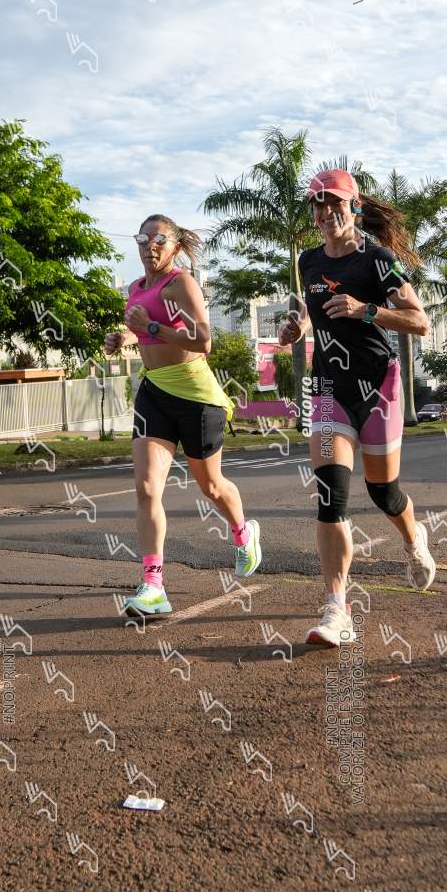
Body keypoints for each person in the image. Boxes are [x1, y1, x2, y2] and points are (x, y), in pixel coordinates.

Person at [277, 168, 435, 648]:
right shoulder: (308, 261)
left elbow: (420, 321)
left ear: (354, 206)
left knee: (384, 492)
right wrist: (296, 328)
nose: (326, 212)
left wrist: (365, 309)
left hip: (378, 386)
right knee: (331, 495)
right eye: (318, 204)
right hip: (328, 387)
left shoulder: (377, 260)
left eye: (335, 203)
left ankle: (413, 540)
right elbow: (309, 312)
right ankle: (336, 608)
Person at [104, 213, 262, 616]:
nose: (150, 246)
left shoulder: (181, 283)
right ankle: (153, 586)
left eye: (159, 239)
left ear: (175, 246)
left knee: (211, 486)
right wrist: (124, 337)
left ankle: (243, 533)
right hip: (154, 391)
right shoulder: (136, 288)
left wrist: (152, 328)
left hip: (196, 395)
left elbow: (203, 340)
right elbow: (143, 332)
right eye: (143, 239)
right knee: (146, 488)